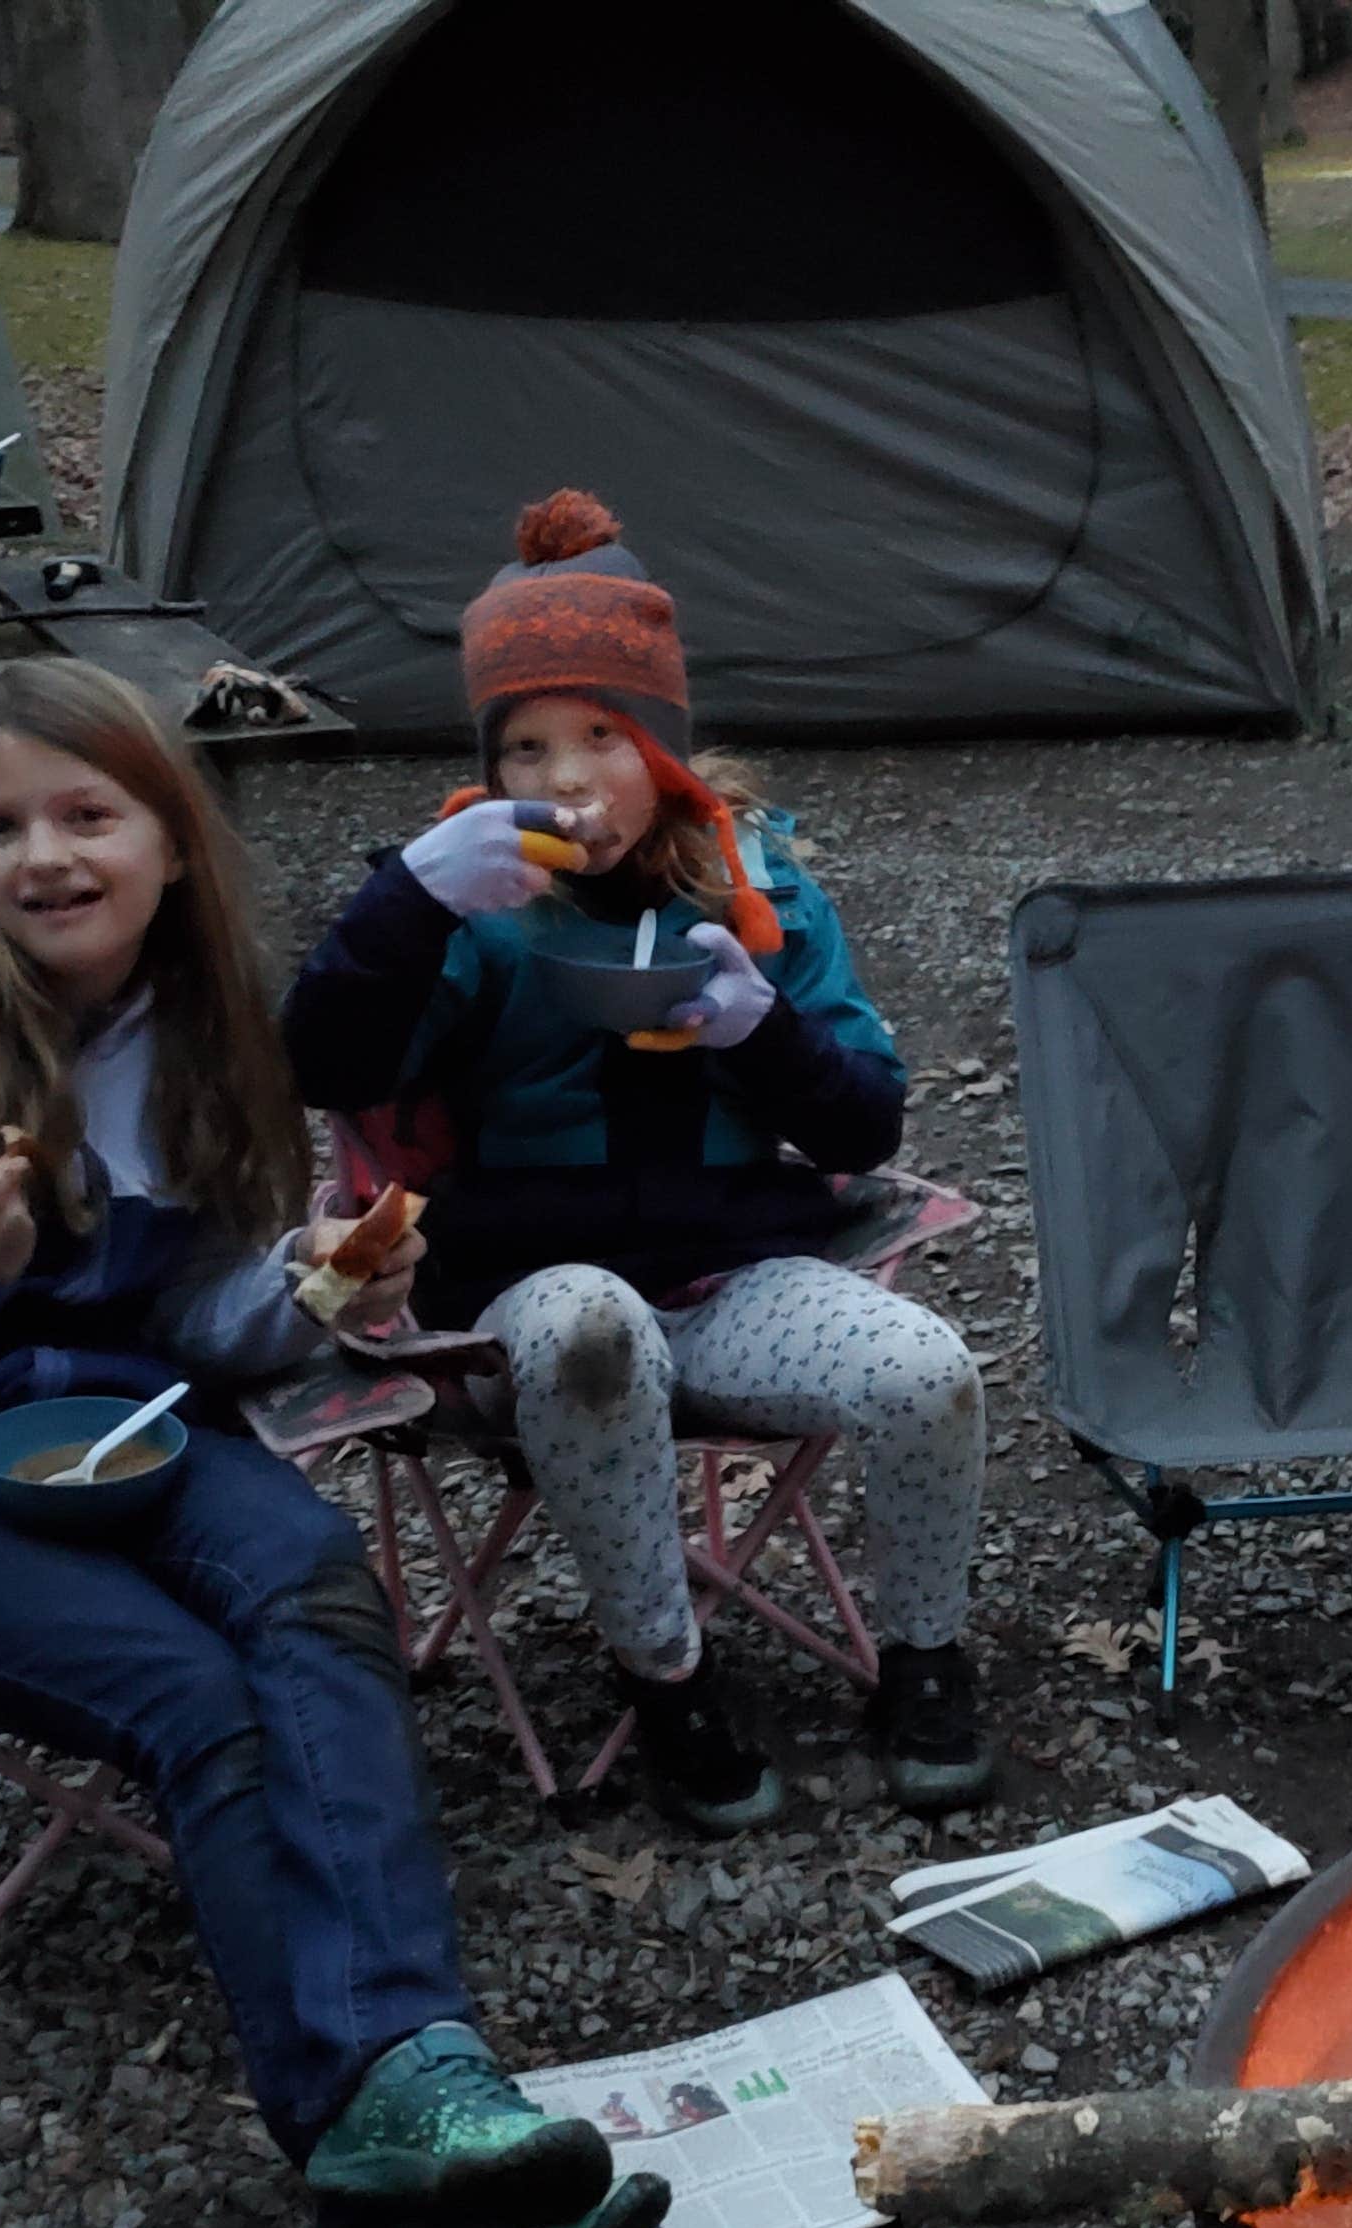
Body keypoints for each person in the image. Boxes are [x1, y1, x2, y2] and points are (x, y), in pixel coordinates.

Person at [0, 656, 670, 2228]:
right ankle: (388, 2204)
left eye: (87, 813)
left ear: (166, 843)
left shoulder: (200, 1031)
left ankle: (421, 2076)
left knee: (311, 1581)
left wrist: (311, 1294)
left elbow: (197, 1324)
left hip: (112, 1426)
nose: (43, 856)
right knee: (193, 1696)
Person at [281, 490, 994, 1837]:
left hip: (731, 1275)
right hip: (525, 1296)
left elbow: (865, 1128)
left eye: (600, 737)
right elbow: (326, 1066)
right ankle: (666, 1679)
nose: (562, 780)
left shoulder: (757, 890)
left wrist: (757, 1030)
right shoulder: (468, 906)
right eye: (526, 747)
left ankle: (925, 1657)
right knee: (592, 1327)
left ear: (659, 747)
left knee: (926, 1371)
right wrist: (407, 900)